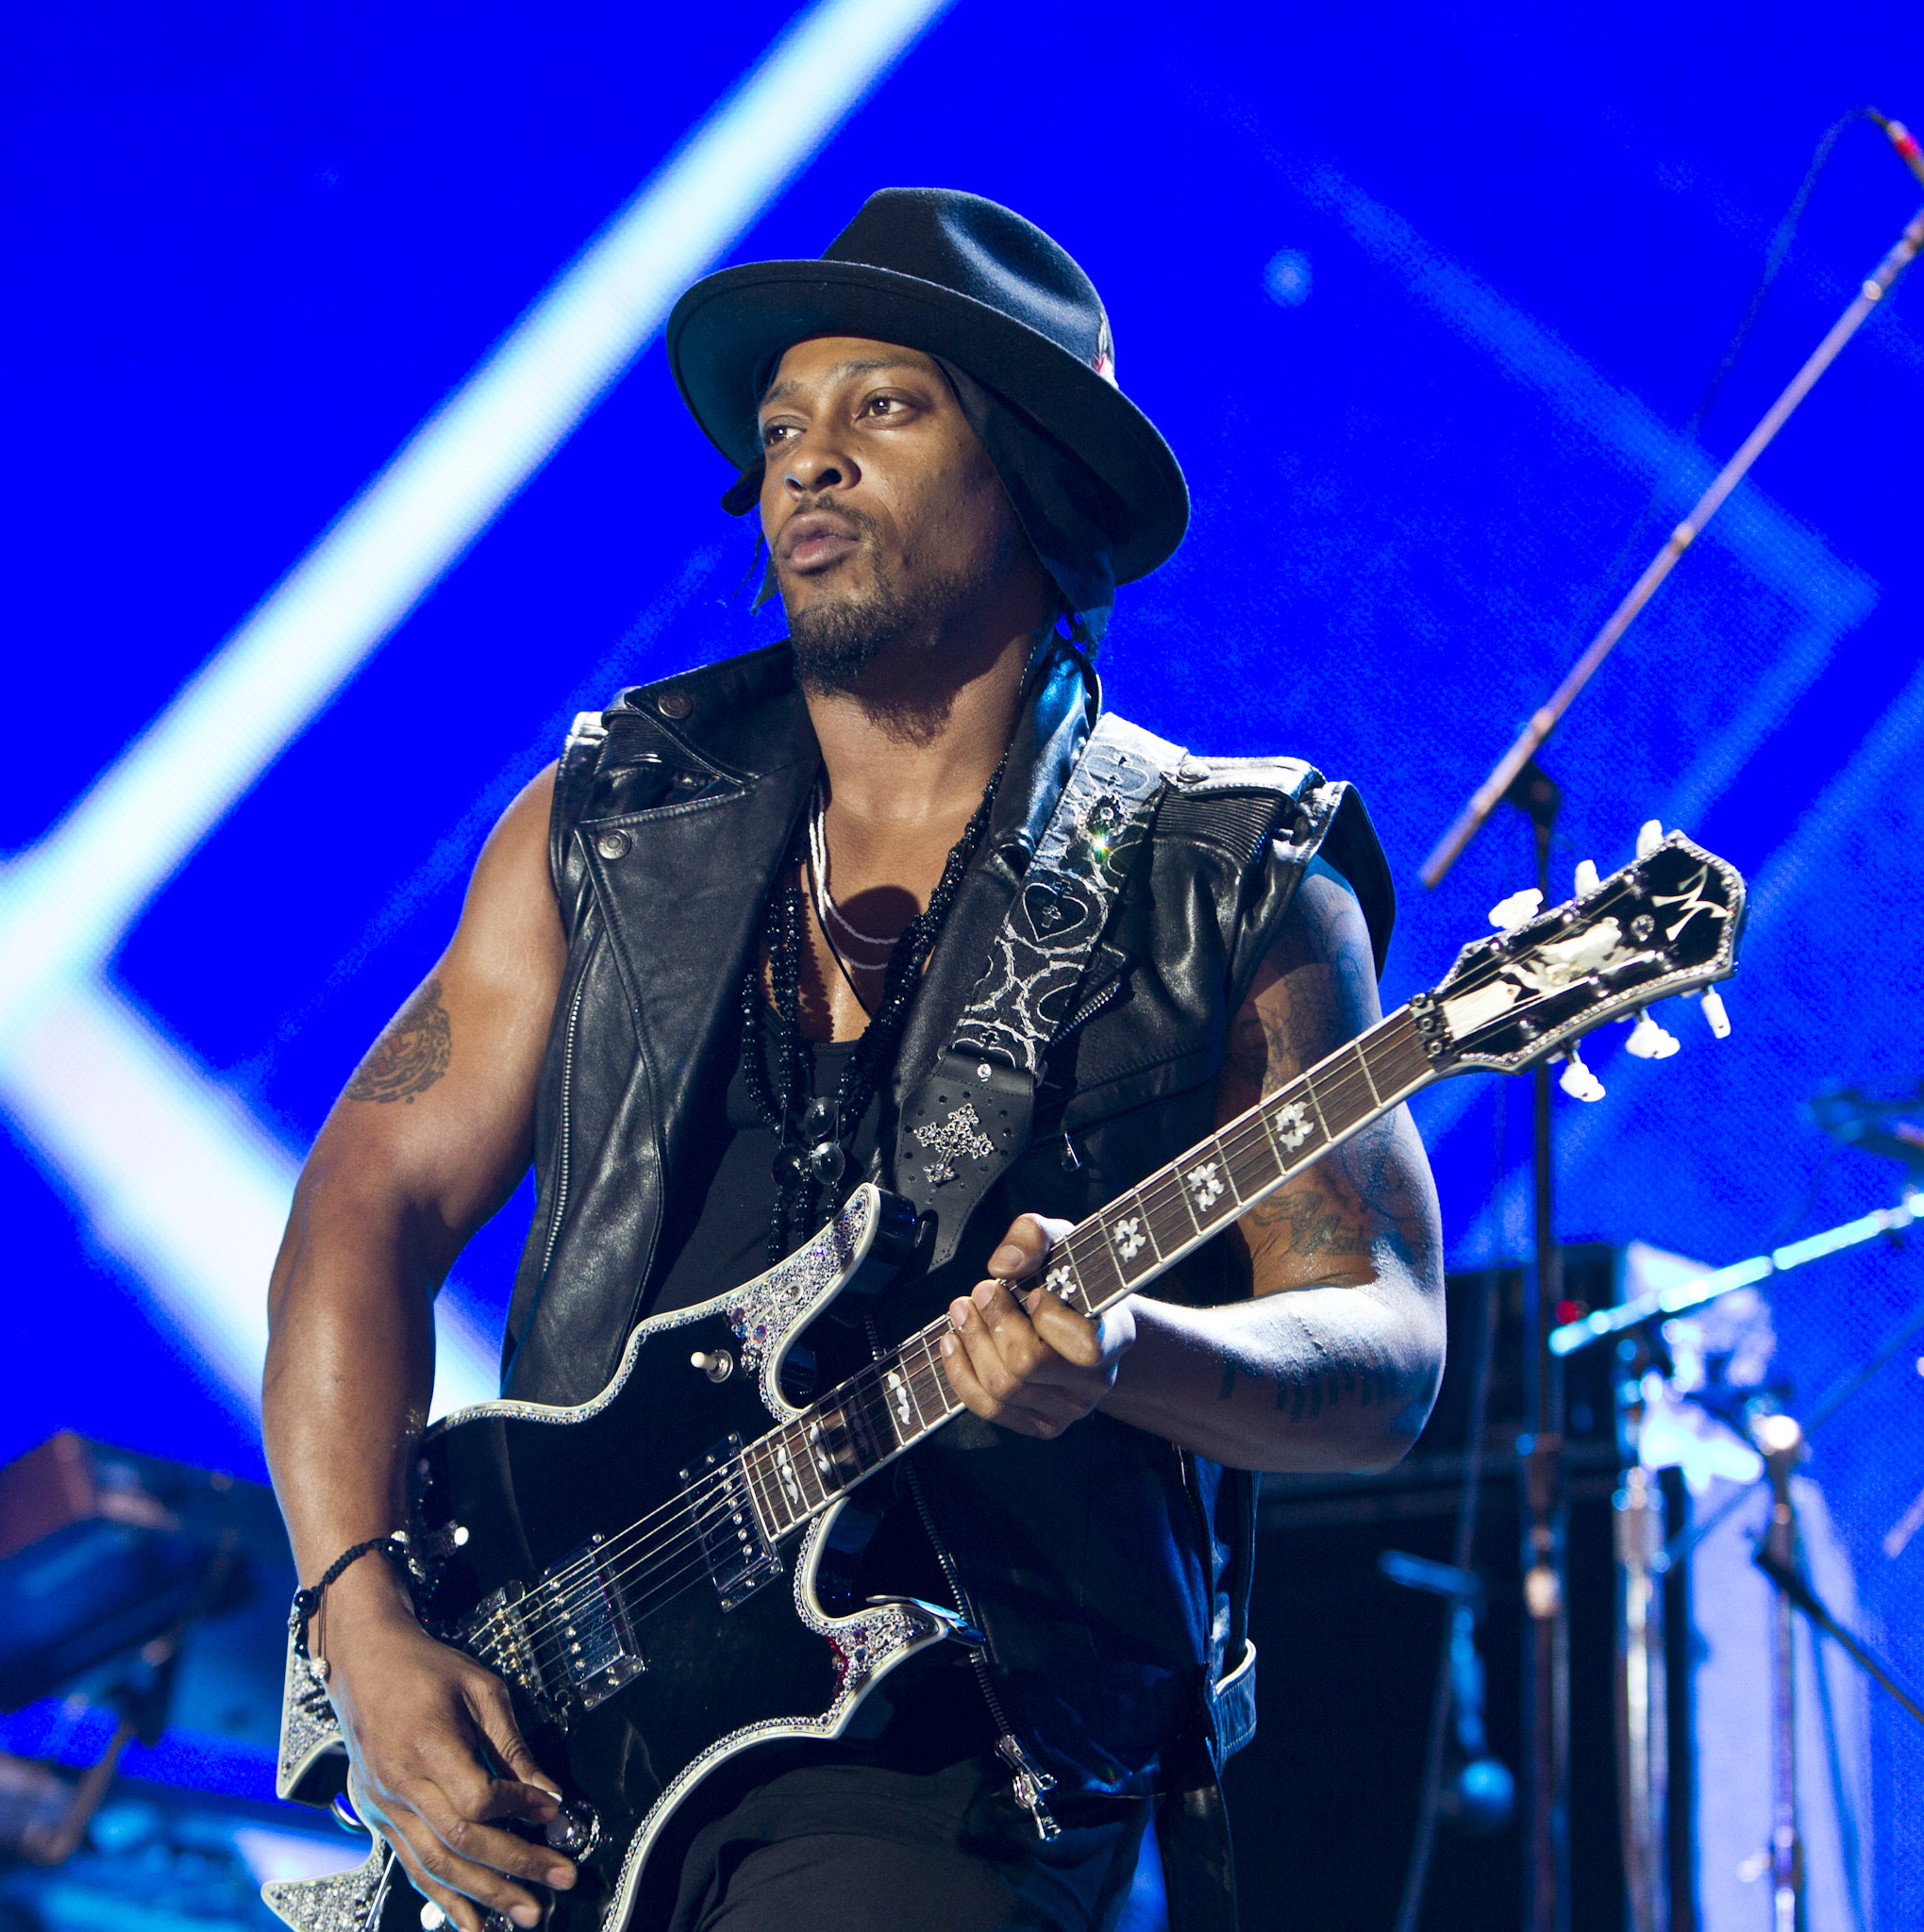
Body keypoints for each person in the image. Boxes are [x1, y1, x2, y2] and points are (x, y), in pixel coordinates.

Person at [262, 188, 1446, 1932]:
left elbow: (1383, 1341)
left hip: (966, 1759)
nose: (809, 462)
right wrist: (360, 1615)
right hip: (569, 1751)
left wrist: (1127, 1350)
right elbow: (364, 1211)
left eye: (885, 407)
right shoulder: (607, 818)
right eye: (783, 429)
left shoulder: (1226, 872)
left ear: (1037, 472)